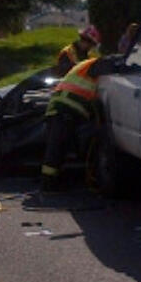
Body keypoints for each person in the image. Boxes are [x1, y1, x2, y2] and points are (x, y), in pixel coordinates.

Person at [40, 54, 118, 191]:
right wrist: (123, 67)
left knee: (58, 147)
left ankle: (50, 181)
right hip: (65, 109)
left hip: (60, 108)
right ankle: (48, 184)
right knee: (57, 148)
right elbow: (105, 67)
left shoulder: (83, 66)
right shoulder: (95, 64)